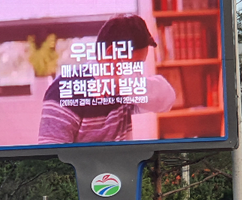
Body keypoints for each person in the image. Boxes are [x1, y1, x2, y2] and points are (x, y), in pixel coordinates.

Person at [38, 14, 175, 144]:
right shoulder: (63, 89)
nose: (136, 72)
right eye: (134, 64)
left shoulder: (126, 88)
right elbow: (51, 158)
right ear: (110, 53)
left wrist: (119, 85)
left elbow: (167, 99)